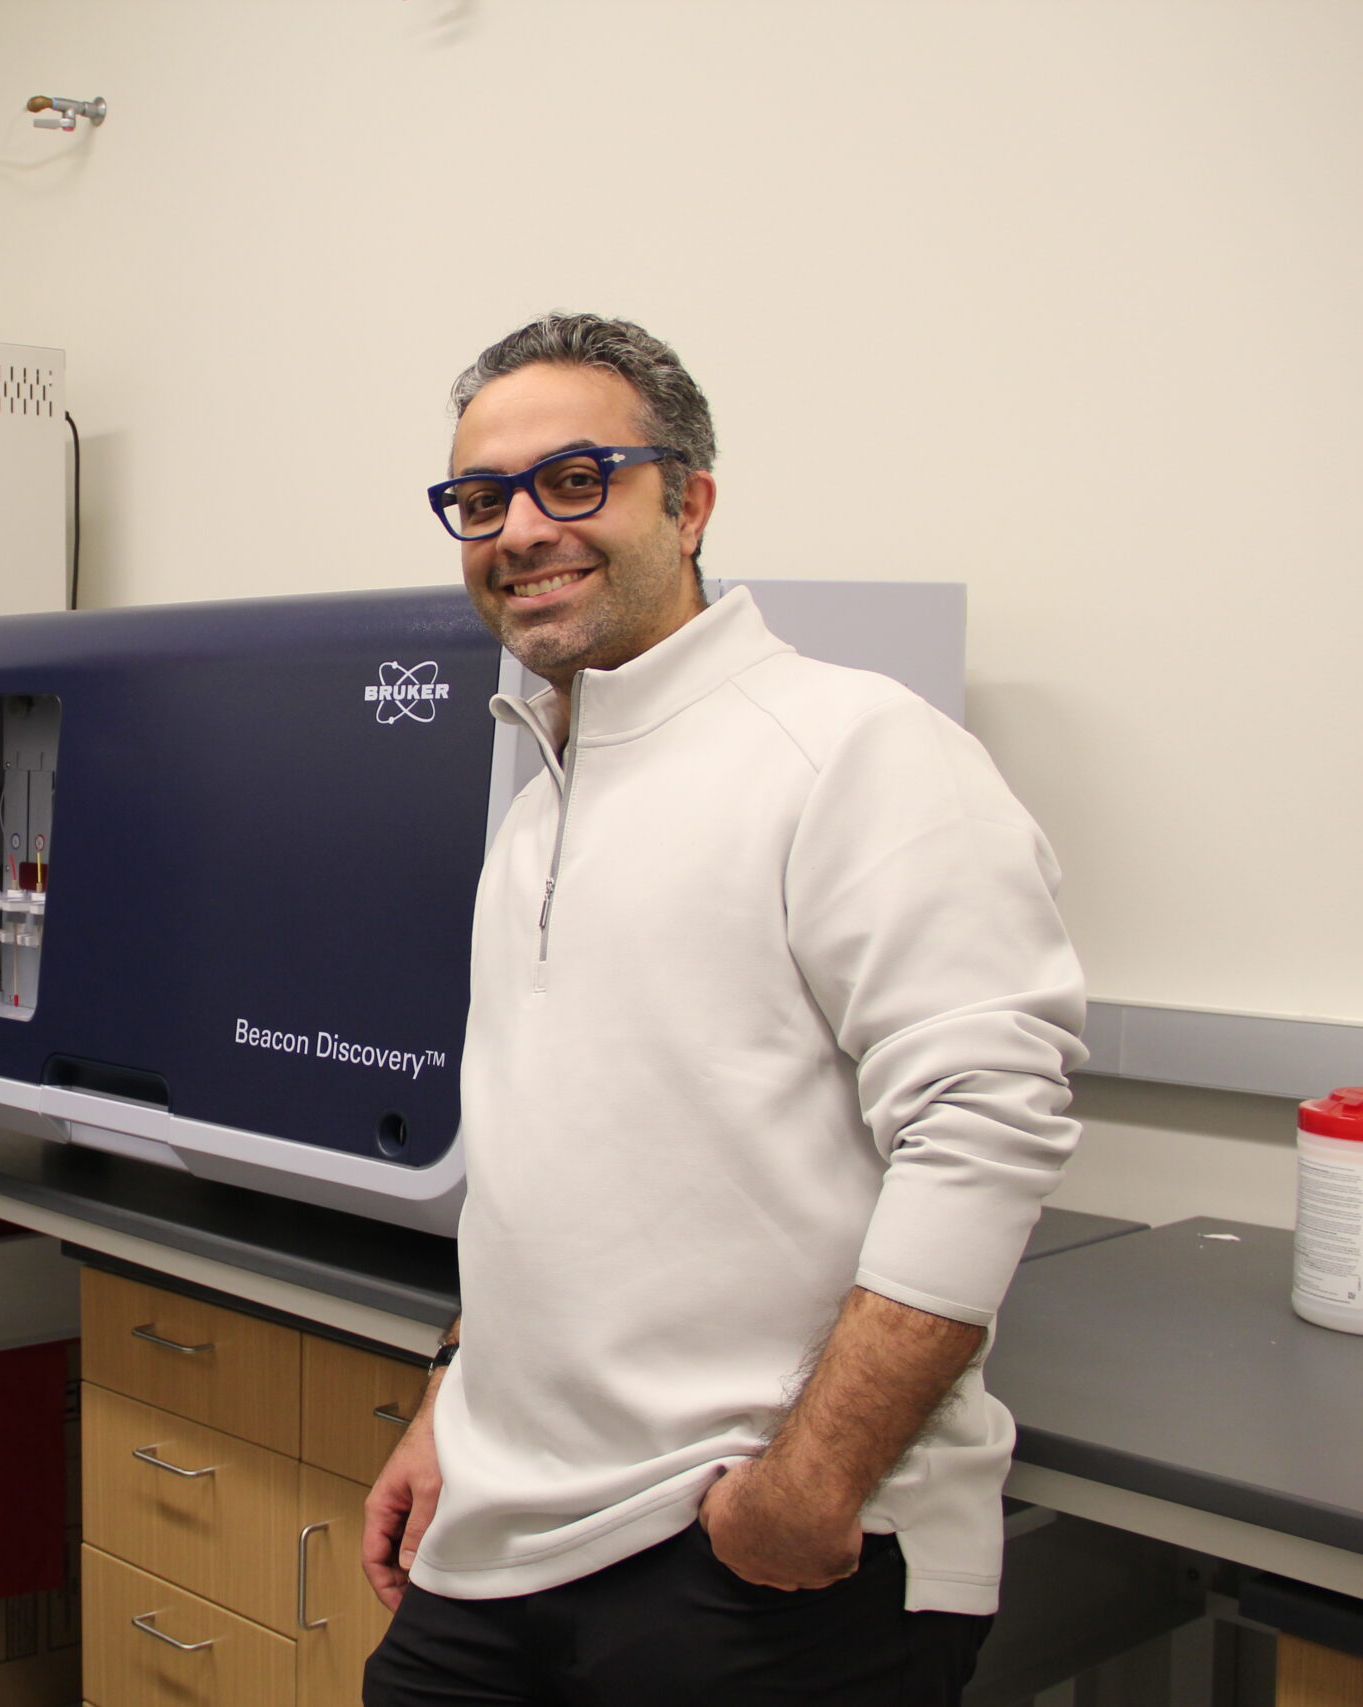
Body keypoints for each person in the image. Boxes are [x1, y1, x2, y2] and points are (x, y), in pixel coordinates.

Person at [360, 314, 1085, 1706]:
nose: (522, 528)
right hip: (501, 1533)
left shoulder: (855, 751)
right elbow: (550, 1163)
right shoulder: (539, 789)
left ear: (688, 503)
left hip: (752, 1558)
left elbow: (986, 1126)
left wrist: (810, 1486)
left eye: (577, 480)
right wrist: (456, 1403)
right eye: (482, 498)